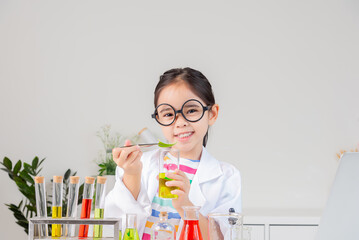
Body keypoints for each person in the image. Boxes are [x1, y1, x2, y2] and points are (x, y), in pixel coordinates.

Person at [105, 67, 242, 239]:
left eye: (191, 110)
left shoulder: (226, 177)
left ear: (212, 114)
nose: (180, 122)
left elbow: (222, 237)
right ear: (159, 118)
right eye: (169, 114)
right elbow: (119, 225)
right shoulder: (141, 166)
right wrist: (132, 175)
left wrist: (185, 206)